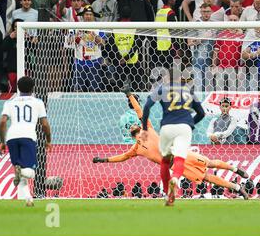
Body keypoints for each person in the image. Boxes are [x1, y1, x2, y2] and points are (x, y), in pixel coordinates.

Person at [93, 93, 248, 199]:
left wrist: (129, 95)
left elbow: (139, 110)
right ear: (130, 133)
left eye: (135, 124)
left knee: (210, 163)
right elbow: (121, 157)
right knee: (207, 177)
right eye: (131, 127)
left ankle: (236, 170)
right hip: (176, 165)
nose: (133, 125)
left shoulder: (147, 128)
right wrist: (103, 160)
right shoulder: (136, 149)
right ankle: (236, 188)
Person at [141, 66, 206, 206]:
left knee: (165, 161)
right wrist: (190, 124)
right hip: (184, 128)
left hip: (167, 127)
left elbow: (146, 106)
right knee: (179, 158)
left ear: (167, 78)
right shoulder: (189, 90)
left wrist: (145, 128)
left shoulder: (162, 89)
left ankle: (167, 194)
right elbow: (202, 113)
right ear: (179, 78)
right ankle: (176, 178)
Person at [0, 76, 52, 207]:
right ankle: (20, 171)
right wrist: (48, 140)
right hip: (28, 136)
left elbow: (2, 121)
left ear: (18, 88)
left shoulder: (9, 103)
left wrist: (2, 141)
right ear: (33, 88)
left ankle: (28, 199)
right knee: (30, 172)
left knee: (21, 173)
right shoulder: (38, 102)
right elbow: (44, 124)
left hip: (11, 137)